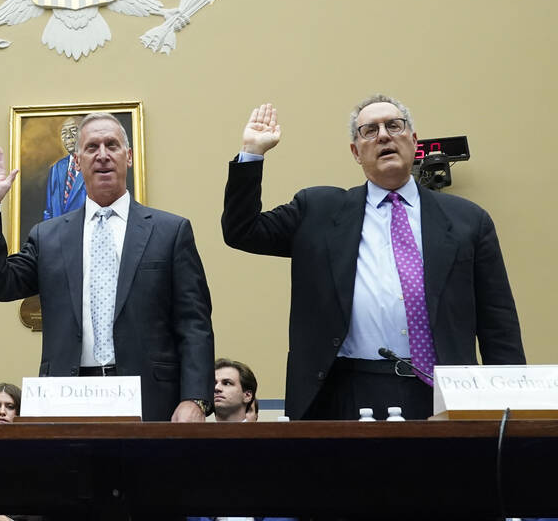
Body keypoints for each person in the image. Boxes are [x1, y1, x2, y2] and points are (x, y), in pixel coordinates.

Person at [222, 98, 526, 420]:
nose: (383, 136)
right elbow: (242, 230)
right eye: (369, 131)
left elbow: (498, 324)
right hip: (346, 388)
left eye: (394, 126)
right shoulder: (319, 210)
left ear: (413, 141)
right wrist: (252, 152)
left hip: (444, 390)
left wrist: (512, 408)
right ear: (356, 152)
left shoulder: (468, 220)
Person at [0, 112, 215, 422]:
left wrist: (195, 399)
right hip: (67, 398)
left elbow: (195, 324)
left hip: (150, 399)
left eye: (112, 145)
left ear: (129, 157)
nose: (103, 155)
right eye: (92, 147)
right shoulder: (49, 236)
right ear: (78, 161)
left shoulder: (170, 232)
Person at [43, 116, 85, 220]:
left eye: (73, 131)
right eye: (63, 133)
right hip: (58, 234)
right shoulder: (56, 168)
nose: (68, 136)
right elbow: (49, 210)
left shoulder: (96, 164)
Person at [213, 358, 256, 423]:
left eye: (227, 383)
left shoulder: (268, 433)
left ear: (247, 395)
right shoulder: (197, 432)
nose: (216, 388)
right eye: (213, 383)